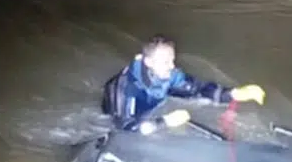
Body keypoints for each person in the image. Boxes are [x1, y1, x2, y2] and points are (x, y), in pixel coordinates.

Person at [101, 35, 266, 134]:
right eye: (166, 62)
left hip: (152, 98)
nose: (172, 66)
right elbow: (123, 127)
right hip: (119, 114)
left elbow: (197, 88)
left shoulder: (169, 74)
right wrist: (164, 122)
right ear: (149, 62)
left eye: (172, 60)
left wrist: (233, 94)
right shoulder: (127, 89)